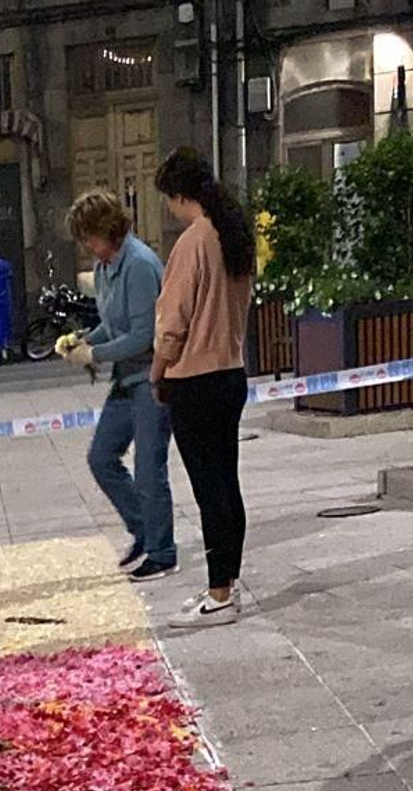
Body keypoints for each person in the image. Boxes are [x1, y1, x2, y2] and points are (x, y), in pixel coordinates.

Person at [148, 148, 256, 623]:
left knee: (208, 489)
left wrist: (157, 372)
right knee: (227, 484)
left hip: (194, 379)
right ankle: (227, 584)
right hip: (231, 372)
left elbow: (172, 322)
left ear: (178, 195)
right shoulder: (233, 235)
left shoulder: (193, 243)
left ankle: (218, 595)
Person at [69, 189, 176, 580]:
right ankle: (143, 530)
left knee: (149, 470)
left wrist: (95, 356)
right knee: (101, 457)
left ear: (108, 230)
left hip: (151, 377)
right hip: (124, 379)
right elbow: (115, 324)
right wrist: (86, 340)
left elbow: (144, 334)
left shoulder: (139, 265)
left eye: (89, 236)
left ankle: (163, 552)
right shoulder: (104, 267)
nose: (86, 245)